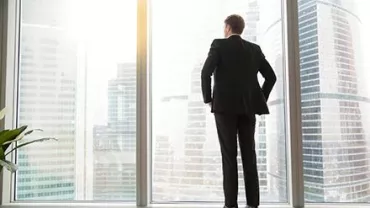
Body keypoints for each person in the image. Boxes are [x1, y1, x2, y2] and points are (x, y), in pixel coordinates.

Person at [201, 14, 276, 208]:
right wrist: (258, 99)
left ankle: (230, 205)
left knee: (229, 156)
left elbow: (205, 72)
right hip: (247, 109)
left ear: (227, 28)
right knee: (249, 156)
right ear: (240, 29)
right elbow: (271, 77)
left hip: (224, 109)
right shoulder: (254, 49)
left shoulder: (218, 45)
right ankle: (253, 204)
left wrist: (209, 99)